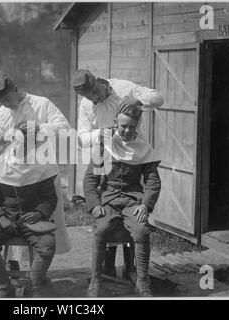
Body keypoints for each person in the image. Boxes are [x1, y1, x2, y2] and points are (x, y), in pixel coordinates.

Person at [73, 69, 164, 277]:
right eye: (88, 96)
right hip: (106, 151)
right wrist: (105, 132)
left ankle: (132, 270)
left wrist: (136, 102)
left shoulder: (122, 87)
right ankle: (107, 270)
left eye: (94, 92)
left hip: (133, 152)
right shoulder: (87, 105)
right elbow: (81, 139)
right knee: (107, 209)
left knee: (132, 208)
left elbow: (158, 97)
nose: (93, 98)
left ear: (98, 81)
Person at [83, 106, 161, 297]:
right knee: (100, 230)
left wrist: (145, 204)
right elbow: (90, 179)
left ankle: (143, 281)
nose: (127, 131)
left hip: (133, 200)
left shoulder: (143, 149)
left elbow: (153, 181)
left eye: (131, 127)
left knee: (141, 231)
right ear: (116, 123)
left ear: (137, 126)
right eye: (123, 126)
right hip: (108, 198)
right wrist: (95, 205)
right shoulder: (105, 145)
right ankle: (96, 279)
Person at [0, 124, 59, 297]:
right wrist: (0, 218)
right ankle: (4, 286)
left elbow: (50, 198)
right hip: (4, 218)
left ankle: (32, 286)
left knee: (47, 246)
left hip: (33, 219)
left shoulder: (41, 166)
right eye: (16, 141)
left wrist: (39, 213)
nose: (20, 147)